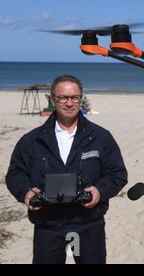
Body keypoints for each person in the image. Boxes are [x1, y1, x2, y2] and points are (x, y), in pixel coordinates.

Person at [6, 75, 128, 264]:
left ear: (81, 99)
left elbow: (117, 174)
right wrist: (26, 193)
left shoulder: (100, 137)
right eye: (63, 97)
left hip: (87, 223)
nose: (69, 103)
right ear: (53, 99)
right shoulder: (32, 140)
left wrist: (99, 191)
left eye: (74, 97)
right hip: (48, 223)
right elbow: (15, 174)